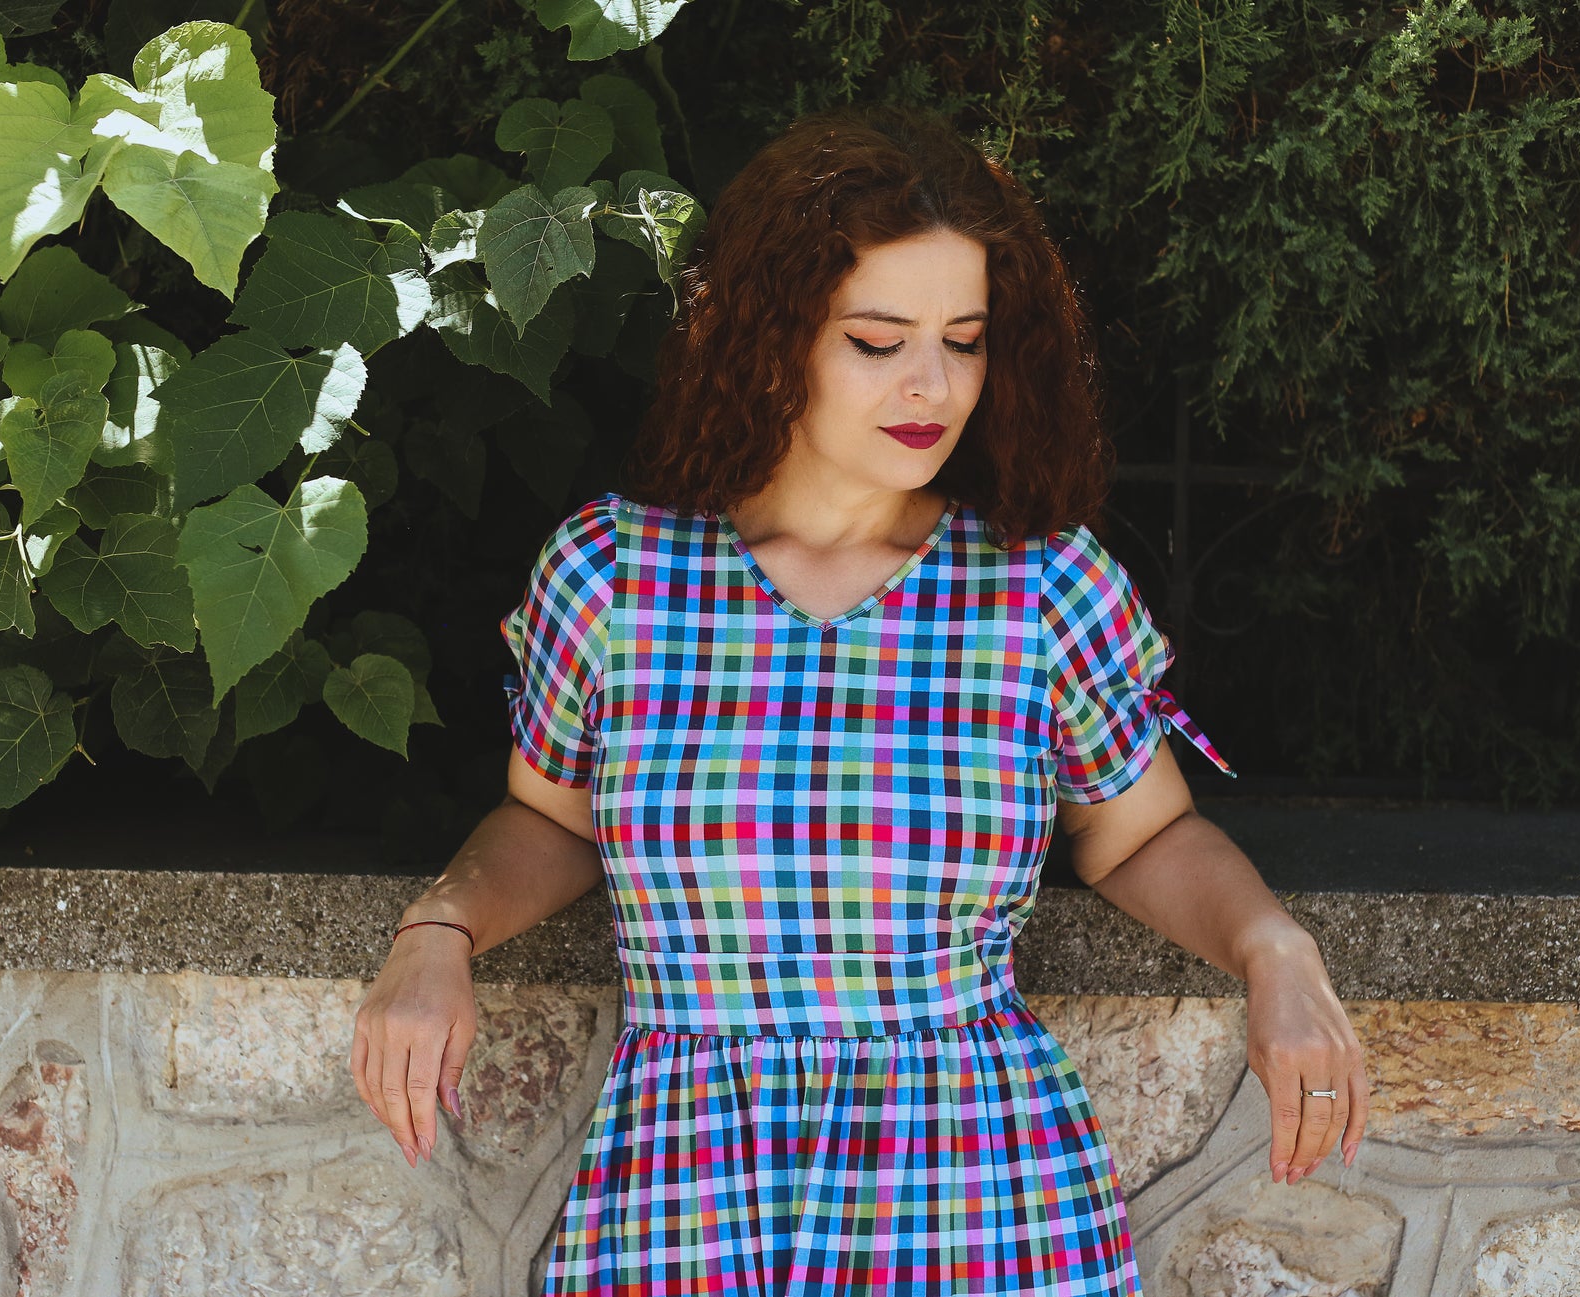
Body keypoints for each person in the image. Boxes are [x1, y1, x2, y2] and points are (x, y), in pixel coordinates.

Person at [351, 102, 1370, 1294]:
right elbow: (549, 819)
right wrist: (438, 929)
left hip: (977, 1203)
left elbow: (1140, 832)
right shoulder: (614, 576)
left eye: (965, 340)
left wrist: (1272, 948)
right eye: (878, 340)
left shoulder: (1042, 588)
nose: (931, 385)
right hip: (687, 1196)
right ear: (766, 334)